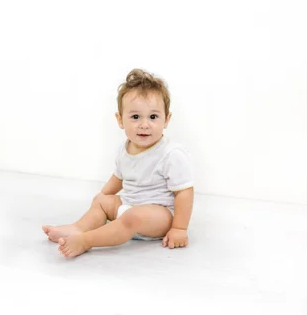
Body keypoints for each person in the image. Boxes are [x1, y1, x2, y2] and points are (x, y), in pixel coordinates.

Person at [42, 68, 195, 258]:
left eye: (153, 117)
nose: (144, 124)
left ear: (167, 119)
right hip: (129, 204)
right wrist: (103, 197)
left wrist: (179, 228)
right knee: (102, 201)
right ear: (120, 120)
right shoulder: (125, 149)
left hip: (159, 216)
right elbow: (118, 177)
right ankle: (78, 229)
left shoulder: (171, 154)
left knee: (132, 216)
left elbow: (184, 192)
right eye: (135, 117)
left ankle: (87, 240)